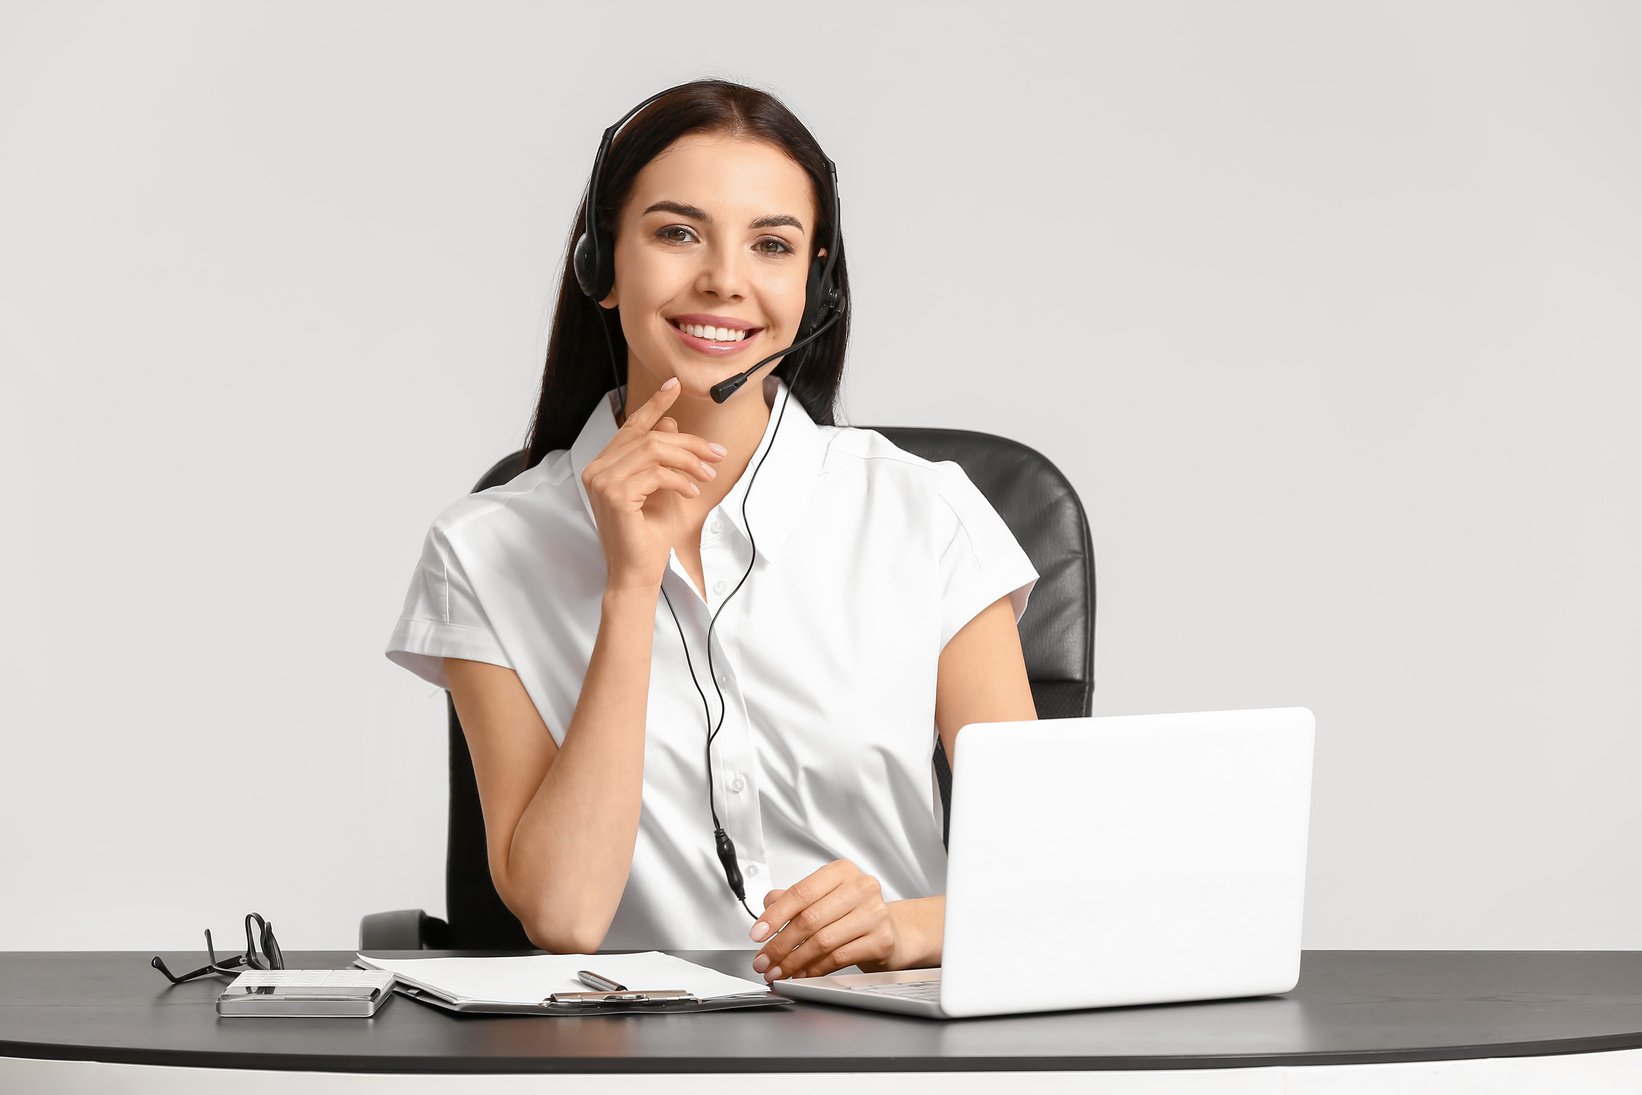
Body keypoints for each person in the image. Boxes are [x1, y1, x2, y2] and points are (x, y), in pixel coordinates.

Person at [385, 79, 1039, 985]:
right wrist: (629, 583)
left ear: (816, 287)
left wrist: (903, 926)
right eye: (677, 232)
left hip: (896, 1057)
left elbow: (1055, 877)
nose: (724, 279)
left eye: (772, 244)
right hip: (632, 1058)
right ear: (601, 268)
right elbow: (566, 914)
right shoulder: (485, 550)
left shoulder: (924, 514)